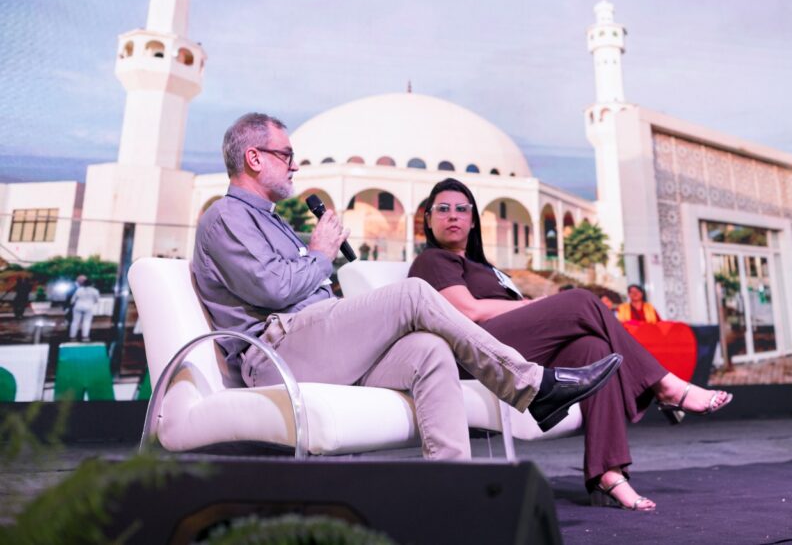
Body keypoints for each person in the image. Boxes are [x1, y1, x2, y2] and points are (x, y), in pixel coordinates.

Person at [192, 113, 620, 462]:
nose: (294, 165)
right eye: (286, 154)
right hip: (275, 355)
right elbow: (272, 289)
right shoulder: (226, 216)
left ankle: (452, 493)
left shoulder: (272, 221)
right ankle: (533, 386)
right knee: (413, 293)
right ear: (253, 157)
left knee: (429, 351)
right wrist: (320, 252)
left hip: (314, 345)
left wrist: (317, 258)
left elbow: (297, 281)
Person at [409, 178, 734, 511]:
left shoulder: (486, 268)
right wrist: (530, 305)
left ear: (473, 220)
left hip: (512, 348)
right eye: (443, 209)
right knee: (581, 300)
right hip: (474, 353)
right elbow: (469, 311)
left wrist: (529, 307)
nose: (453, 215)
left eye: (462, 209)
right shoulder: (432, 261)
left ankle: (608, 473)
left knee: (595, 349)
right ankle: (665, 386)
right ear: (429, 220)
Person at [69, 276, 101, 342]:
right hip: (89, 307)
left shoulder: (79, 290)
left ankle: (72, 336)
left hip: (78, 306)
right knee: (86, 322)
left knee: (75, 321)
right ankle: (85, 336)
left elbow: (73, 300)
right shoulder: (95, 291)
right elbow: (97, 300)